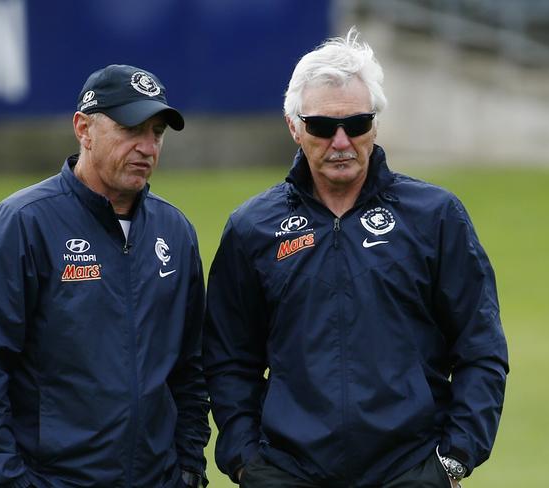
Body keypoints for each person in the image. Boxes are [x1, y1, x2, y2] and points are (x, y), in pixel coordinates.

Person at [203, 28, 509, 488]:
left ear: (376, 124)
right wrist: (248, 462)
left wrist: (454, 459)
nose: (341, 141)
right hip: (289, 473)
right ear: (294, 127)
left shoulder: (436, 217)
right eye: (323, 127)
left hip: (410, 472)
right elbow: (228, 360)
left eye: (357, 124)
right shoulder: (252, 229)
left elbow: (481, 348)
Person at [0, 64, 210, 488]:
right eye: (130, 128)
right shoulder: (21, 225)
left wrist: (190, 468)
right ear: (84, 129)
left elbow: (189, 370)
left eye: (156, 132)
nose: (146, 146)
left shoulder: (175, 232)